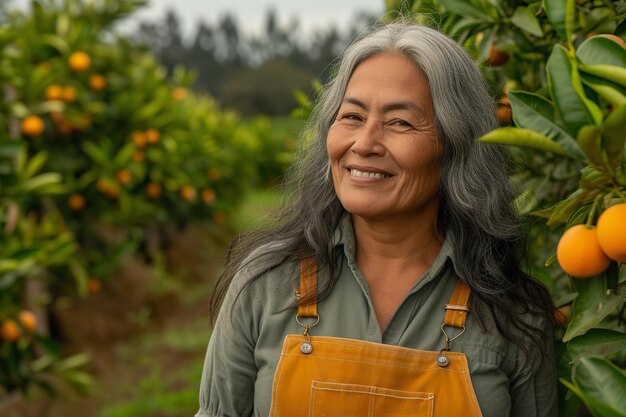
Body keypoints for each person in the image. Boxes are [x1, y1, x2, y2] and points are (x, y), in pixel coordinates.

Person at [195, 21, 557, 417]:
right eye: (351, 116)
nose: (364, 143)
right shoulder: (264, 285)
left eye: (400, 122)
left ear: (456, 146)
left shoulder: (512, 313)